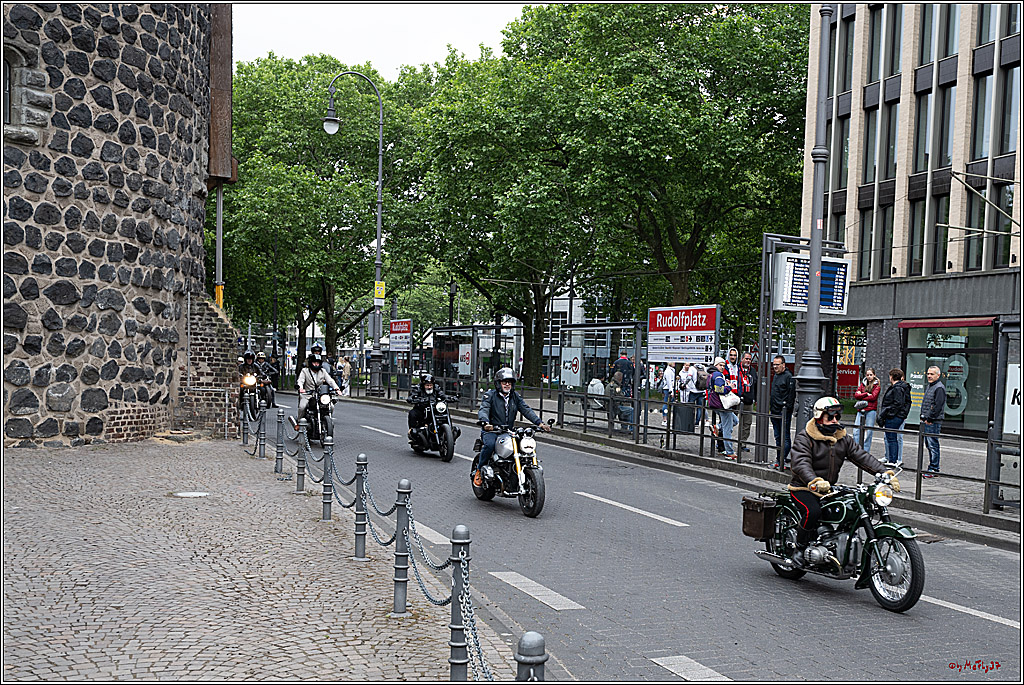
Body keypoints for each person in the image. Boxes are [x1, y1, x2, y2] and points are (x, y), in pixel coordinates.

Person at [788, 397, 900, 564]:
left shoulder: (842, 438)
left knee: (852, 509)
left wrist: (885, 473)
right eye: (830, 417)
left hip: (829, 488)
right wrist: (814, 480)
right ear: (819, 417)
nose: (835, 421)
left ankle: (837, 546)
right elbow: (800, 463)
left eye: (837, 417)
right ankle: (800, 548)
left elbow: (861, 456)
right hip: (804, 488)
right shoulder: (805, 438)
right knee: (813, 512)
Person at [472, 367, 550, 486]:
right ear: (498, 383)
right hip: (492, 430)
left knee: (524, 446)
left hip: (508, 431)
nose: (507, 385)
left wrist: (539, 423)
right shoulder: (490, 395)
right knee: (489, 445)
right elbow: (484, 409)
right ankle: (479, 469)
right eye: (504, 382)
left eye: (510, 382)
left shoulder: (515, 396)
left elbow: (526, 409)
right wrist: (485, 422)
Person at [294, 354, 341, 428]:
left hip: (320, 395)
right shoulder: (305, 371)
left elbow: (330, 380)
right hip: (307, 394)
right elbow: (300, 381)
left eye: (318, 363)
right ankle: (299, 422)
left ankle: (326, 421)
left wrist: (337, 389)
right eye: (314, 362)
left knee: (331, 406)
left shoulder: (322, 371)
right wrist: (301, 388)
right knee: (302, 406)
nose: (316, 364)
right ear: (310, 363)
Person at [877, 368, 912, 466]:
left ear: (891, 377)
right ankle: (892, 459)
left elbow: (898, 403)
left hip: (894, 416)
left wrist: (889, 413)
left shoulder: (897, 388)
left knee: (891, 438)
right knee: (892, 438)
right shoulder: (902, 387)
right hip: (898, 415)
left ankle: (892, 461)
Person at [706, 357, 738, 458]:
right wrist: (729, 387)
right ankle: (729, 452)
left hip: (714, 403)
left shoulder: (711, 374)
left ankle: (718, 427)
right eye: (720, 365)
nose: (722, 367)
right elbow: (719, 389)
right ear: (716, 365)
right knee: (728, 429)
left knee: (735, 420)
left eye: (724, 365)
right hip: (722, 405)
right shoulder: (718, 375)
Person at [769, 356, 796, 468]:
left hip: (783, 411)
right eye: (774, 364)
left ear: (783, 365)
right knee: (777, 436)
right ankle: (779, 458)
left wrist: (787, 408)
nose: (775, 367)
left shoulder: (788, 377)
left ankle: (781, 459)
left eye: (777, 364)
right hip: (774, 410)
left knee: (784, 436)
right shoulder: (776, 375)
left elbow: (791, 395)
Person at [920, 366, 946, 477]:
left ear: (938, 375)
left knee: (932, 444)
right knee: (929, 444)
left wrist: (930, 418)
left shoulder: (939, 387)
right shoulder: (931, 386)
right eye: (928, 374)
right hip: (928, 420)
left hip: (933, 421)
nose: (929, 376)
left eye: (932, 374)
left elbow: (938, 405)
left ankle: (934, 468)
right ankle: (932, 467)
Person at [852, 367, 880, 451]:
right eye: (867, 375)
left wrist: (862, 395)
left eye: (871, 375)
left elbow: (873, 397)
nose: (869, 377)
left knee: (869, 432)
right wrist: (866, 394)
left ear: (874, 375)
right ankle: (856, 450)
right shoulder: (862, 384)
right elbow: (856, 395)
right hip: (861, 410)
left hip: (871, 410)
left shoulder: (877, 386)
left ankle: (866, 451)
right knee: (856, 431)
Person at [736, 352, 758, 452]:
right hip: (736, 400)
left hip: (748, 401)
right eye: (746, 359)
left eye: (749, 359)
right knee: (732, 421)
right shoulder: (737, 369)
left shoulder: (752, 371)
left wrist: (756, 399)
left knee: (747, 423)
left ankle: (742, 443)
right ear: (742, 359)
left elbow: (756, 385)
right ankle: (723, 442)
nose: (748, 361)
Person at [681, 362, 703, 426]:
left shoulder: (692, 368)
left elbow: (689, 378)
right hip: (702, 391)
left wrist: (684, 384)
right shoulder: (703, 367)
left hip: (693, 390)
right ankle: (697, 422)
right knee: (699, 407)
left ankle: (690, 420)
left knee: (690, 406)